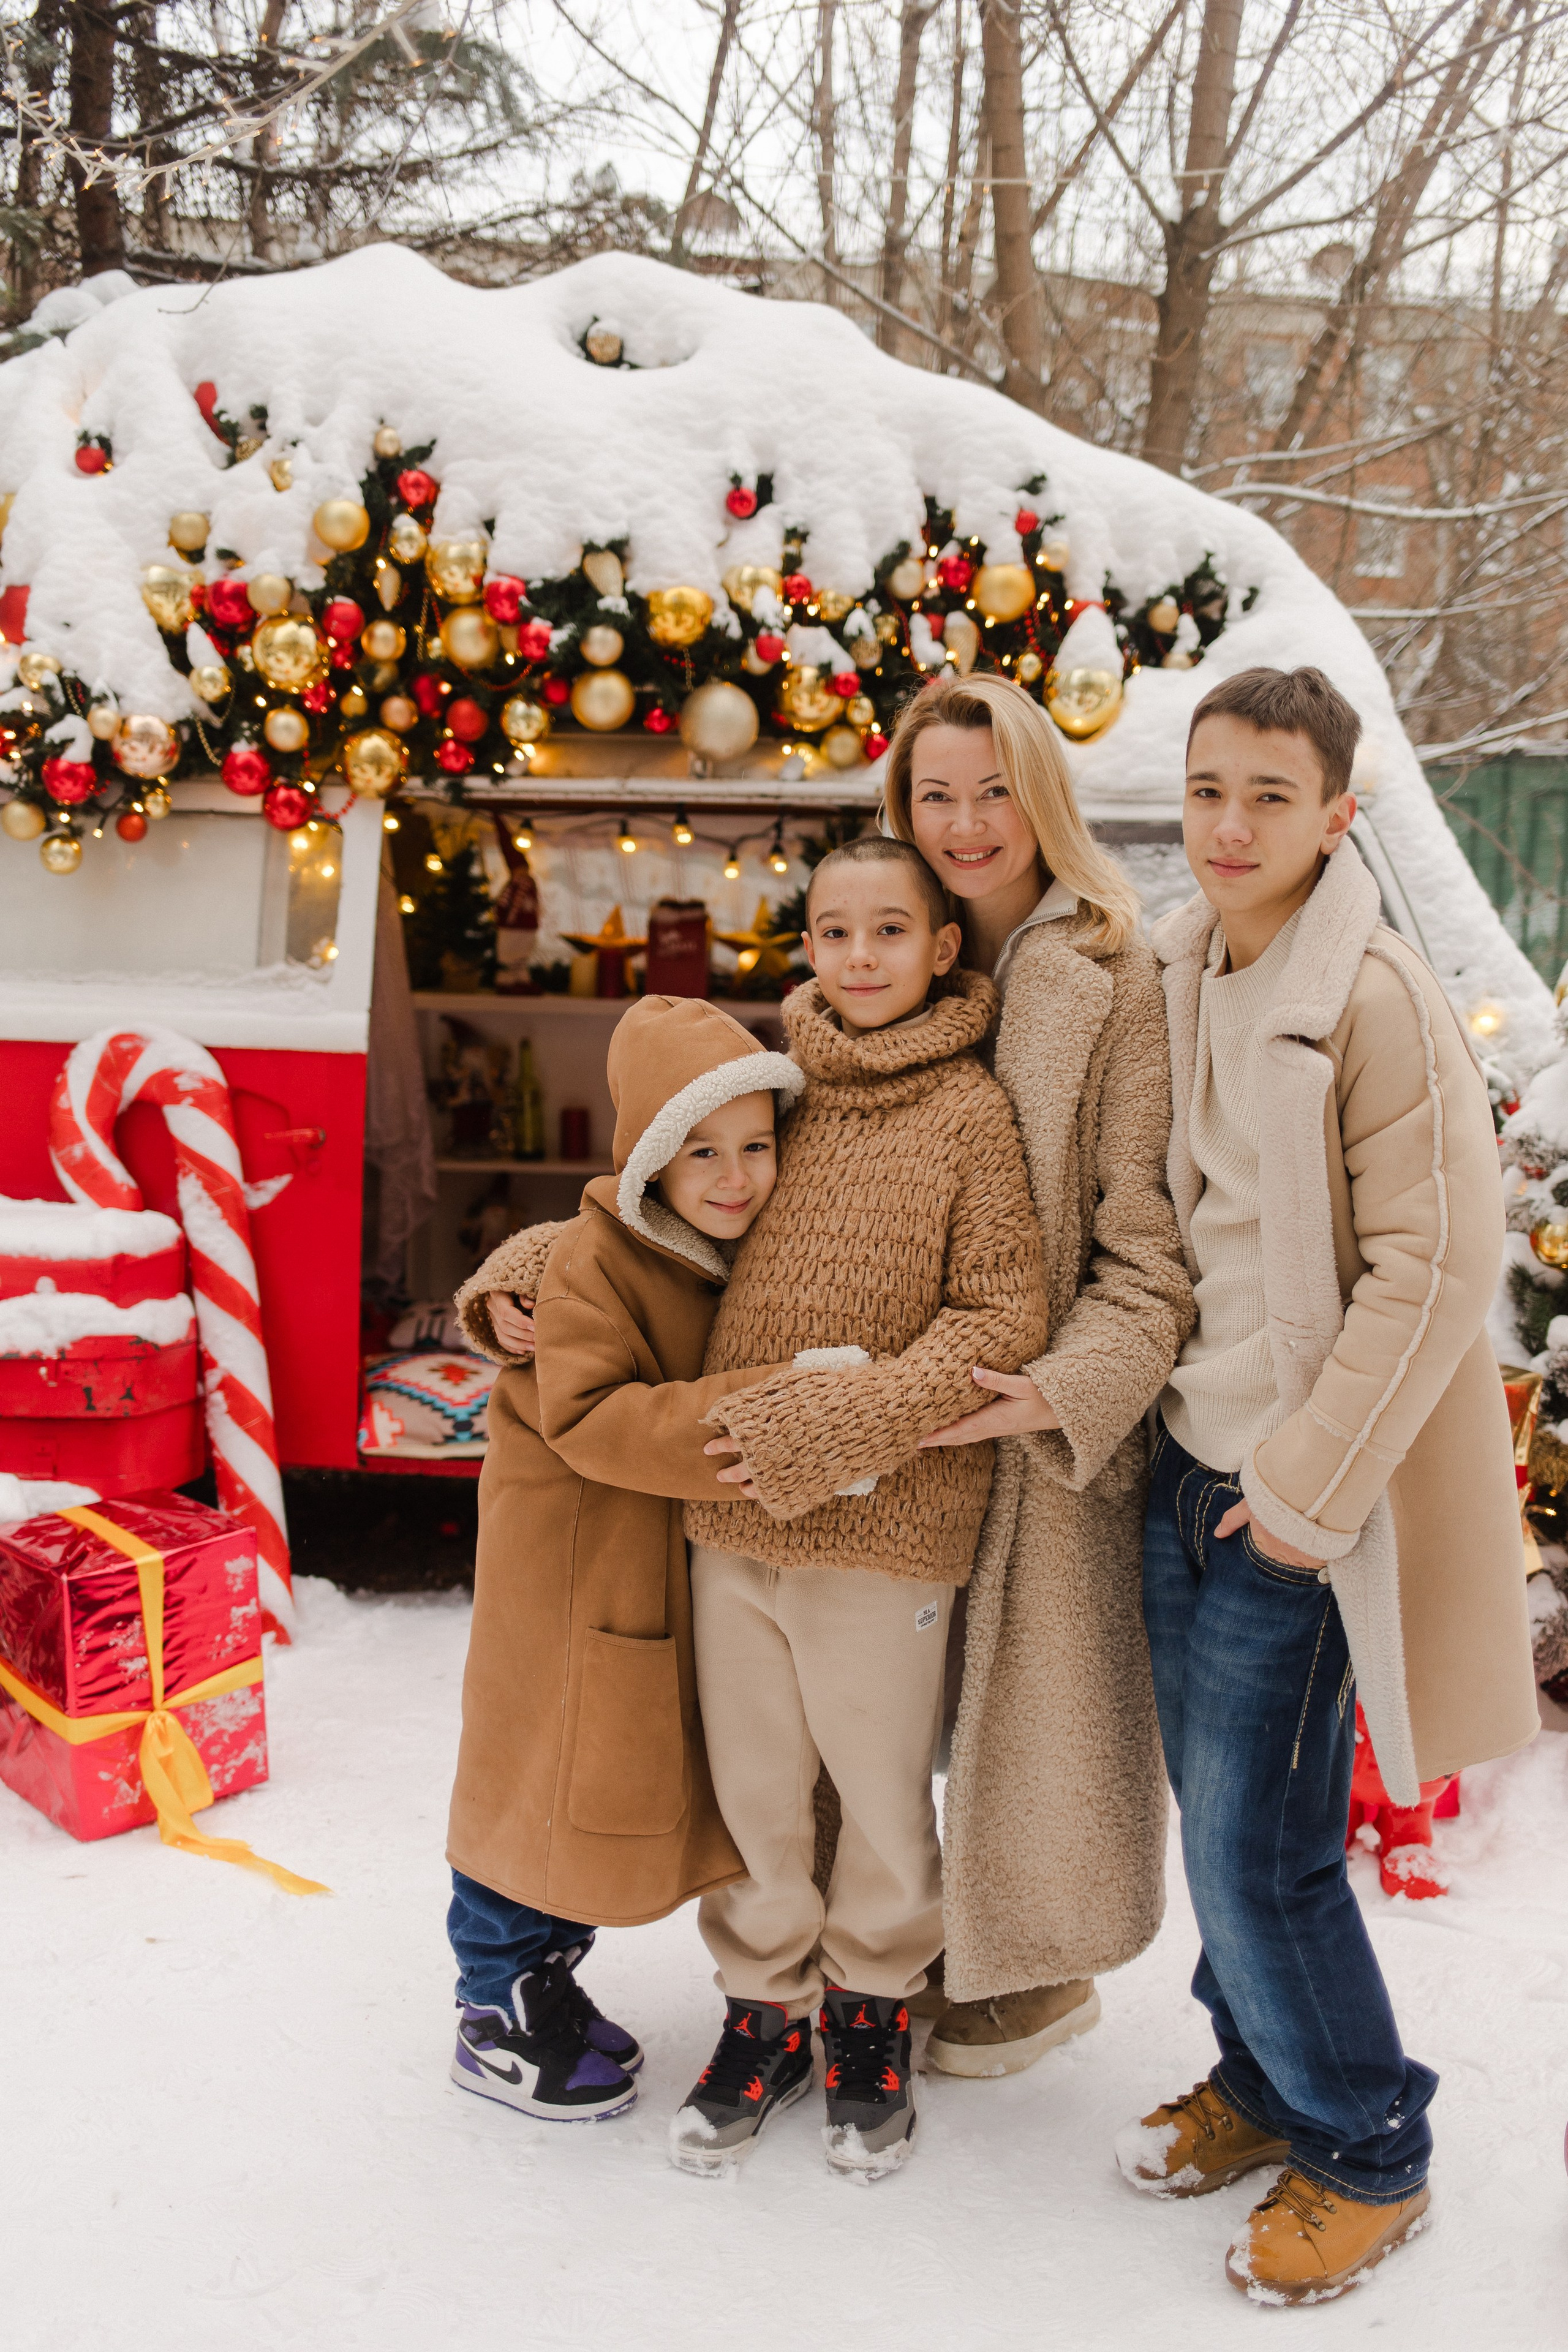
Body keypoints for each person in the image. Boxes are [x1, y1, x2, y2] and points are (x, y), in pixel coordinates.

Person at [1117, 664, 1539, 2304]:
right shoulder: (1184, 964)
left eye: (1269, 797)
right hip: (1186, 1465)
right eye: (1208, 789)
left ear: (1335, 813)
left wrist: (1304, 1491)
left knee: (1261, 1851)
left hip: (1296, 1498)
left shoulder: (1371, 998)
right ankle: (1260, 2079)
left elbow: (1436, 1269)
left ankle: (1367, 2143)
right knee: (1218, 1824)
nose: (1229, 825)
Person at [677, 835, 1048, 2180]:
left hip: (891, 1525)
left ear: (942, 948)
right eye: (835, 932)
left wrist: (854, 1420)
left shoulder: (969, 1112)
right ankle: (761, 2011)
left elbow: (1001, 1315)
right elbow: (661, 1216)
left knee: (881, 1792)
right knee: (755, 1786)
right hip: (733, 1515)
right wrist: (533, 1273)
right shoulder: (772, 1092)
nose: (860, 956)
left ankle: (874, 2007)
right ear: (806, 948)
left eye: (890, 930)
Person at [894, 673, 1194, 2078]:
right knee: (877, 1698)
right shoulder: (891, 947)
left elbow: (1148, 1248)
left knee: (1032, 1713)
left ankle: (1036, 1964)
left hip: (1034, 1411)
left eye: (992, 790)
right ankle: (886, 1937)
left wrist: (1062, 1390)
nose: (964, 823)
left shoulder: (1112, 975)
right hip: (897, 1392)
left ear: (1042, 798)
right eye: (933, 795)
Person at [445, 995, 802, 2122]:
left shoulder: (712, 1241)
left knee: (588, 1780)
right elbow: (591, 1414)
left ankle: (546, 1976)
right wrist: (777, 1407)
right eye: (703, 1152)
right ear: (650, 1154)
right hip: (564, 1564)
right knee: (534, 1772)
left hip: (631, 1555)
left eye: (756, 1147)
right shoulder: (599, 1259)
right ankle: (495, 2004)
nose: (736, 1177)